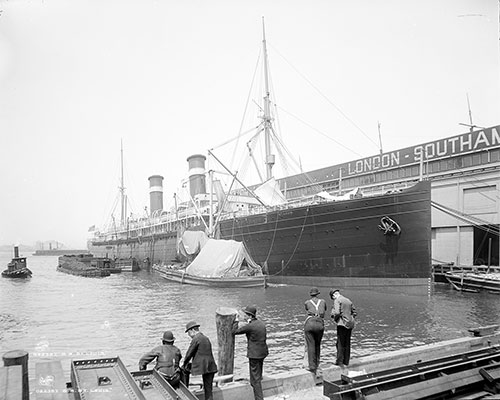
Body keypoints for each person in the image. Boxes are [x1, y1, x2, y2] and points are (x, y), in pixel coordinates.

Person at [232, 305, 268, 400]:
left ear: (250, 316)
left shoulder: (250, 326)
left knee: (255, 380)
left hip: (254, 355)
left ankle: (259, 398)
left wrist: (236, 320)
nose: (244, 317)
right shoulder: (261, 324)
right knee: (258, 376)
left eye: (245, 315)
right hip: (263, 352)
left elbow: (234, 331)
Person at [183, 321, 218, 400]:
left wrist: (184, 364)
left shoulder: (196, 338)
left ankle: (184, 392)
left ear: (192, 330)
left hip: (202, 366)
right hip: (211, 366)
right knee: (208, 389)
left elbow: (189, 354)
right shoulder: (205, 338)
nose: (189, 335)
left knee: (184, 370)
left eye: (188, 332)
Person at [330, 289, 356, 367]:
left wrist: (335, 318)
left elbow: (337, 312)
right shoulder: (348, 300)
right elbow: (354, 312)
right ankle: (346, 361)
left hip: (342, 324)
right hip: (350, 324)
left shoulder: (337, 300)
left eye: (333, 298)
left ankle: (339, 361)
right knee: (347, 342)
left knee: (340, 343)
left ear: (334, 295)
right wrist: (350, 318)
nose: (334, 299)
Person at [304, 287, 327, 375]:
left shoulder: (307, 302)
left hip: (309, 323)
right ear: (318, 294)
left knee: (310, 345)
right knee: (318, 344)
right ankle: (317, 364)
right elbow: (324, 309)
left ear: (311, 295)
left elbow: (307, 309)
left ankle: (312, 367)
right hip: (320, 323)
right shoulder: (323, 301)